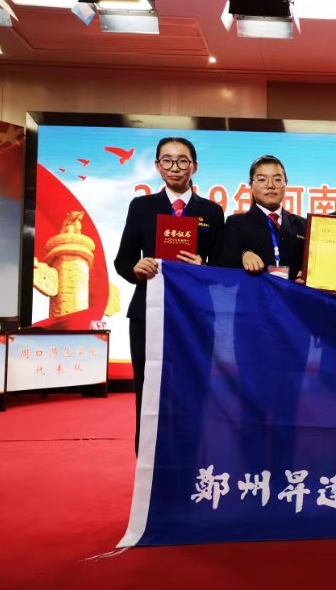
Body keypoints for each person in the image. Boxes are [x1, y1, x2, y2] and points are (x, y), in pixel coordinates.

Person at [114, 136, 224, 454]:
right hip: (148, 312)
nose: (175, 167)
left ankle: (192, 458)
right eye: (167, 160)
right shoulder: (142, 207)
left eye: (182, 160)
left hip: (195, 314)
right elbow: (123, 259)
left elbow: (222, 266)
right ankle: (148, 462)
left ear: (194, 166)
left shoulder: (211, 211)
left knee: (194, 385)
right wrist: (136, 268)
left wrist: (204, 266)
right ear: (157, 165)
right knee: (148, 386)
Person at [213, 154, 306, 280]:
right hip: (252, 292)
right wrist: (244, 254)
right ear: (251, 185)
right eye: (262, 179)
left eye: (277, 179)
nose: (270, 185)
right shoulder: (235, 223)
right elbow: (222, 266)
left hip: (291, 292)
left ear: (286, 183)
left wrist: (307, 277)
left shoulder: (303, 225)